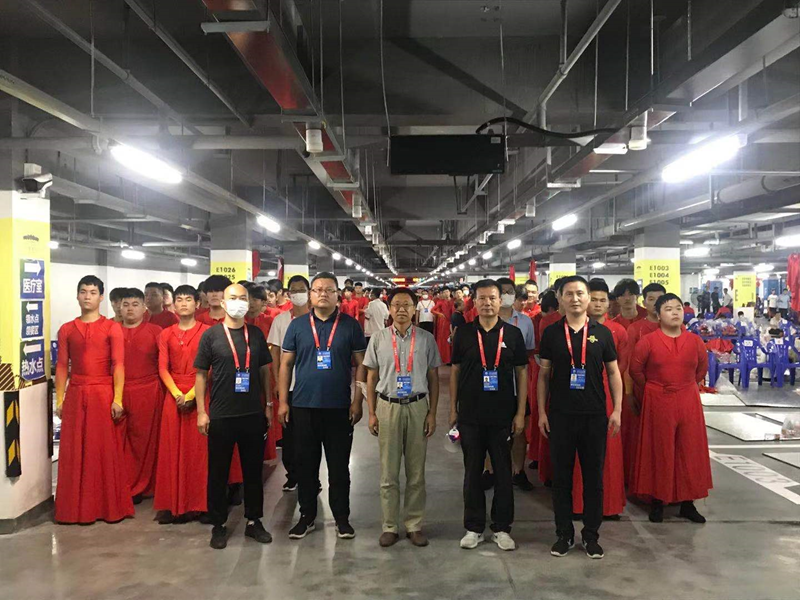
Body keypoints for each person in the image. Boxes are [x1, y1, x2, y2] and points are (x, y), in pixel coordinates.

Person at [538, 275, 622, 560]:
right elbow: (544, 375)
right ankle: (563, 534)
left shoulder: (602, 333)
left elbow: (613, 373)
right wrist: (542, 411)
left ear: (588, 298)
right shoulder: (552, 333)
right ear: (560, 298)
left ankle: (591, 535)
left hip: (594, 416)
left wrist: (617, 409)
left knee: (593, 479)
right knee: (561, 479)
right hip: (560, 415)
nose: (575, 299)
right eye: (569, 294)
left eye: (580, 293)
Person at [278, 272, 367, 540]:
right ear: (310, 295)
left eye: (329, 290)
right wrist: (283, 402)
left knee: (339, 467)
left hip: (339, 407)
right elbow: (285, 364)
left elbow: (361, 365)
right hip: (303, 406)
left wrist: (357, 400)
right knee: (306, 465)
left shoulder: (350, 326)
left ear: (338, 294)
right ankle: (307, 516)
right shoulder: (298, 326)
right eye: (317, 290)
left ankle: (342, 518)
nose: (323, 294)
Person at [450, 279, 528, 552]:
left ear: (500, 300)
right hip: (470, 415)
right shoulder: (463, 333)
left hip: (503, 415)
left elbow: (522, 373)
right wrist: (453, 409)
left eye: (492, 298)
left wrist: (520, 412)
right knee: (472, 472)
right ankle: (473, 527)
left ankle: (502, 527)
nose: (487, 303)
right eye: (482, 298)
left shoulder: (513, 334)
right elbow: (456, 371)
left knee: (503, 472)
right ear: (474, 301)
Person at [194, 283, 273, 550]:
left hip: (252, 413)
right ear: (224, 303)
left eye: (243, 298)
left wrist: (268, 404)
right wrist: (202, 412)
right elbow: (201, 375)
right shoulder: (211, 336)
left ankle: (254, 521)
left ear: (248, 302)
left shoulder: (256, 334)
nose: (238, 302)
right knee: (218, 473)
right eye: (233, 298)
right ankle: (218, 524)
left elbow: (264, 370)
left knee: (253, 472)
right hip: (221, 415)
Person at [364, 288, 442, 547]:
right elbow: (371, 377)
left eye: (407, 304)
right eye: (396, 304)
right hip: (388, 407)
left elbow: (433, 377)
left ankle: (414, 524)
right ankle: (389, 526)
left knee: (416, 472)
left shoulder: (426, 339)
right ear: (389, 309)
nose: (401, 309)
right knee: (388, 472)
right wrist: (372, 413)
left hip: (418, 406)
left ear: (414, 308)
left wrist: (432, 412)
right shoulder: (378, 338)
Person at [54, 275, 132, 524]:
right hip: (76, 393)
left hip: (102, 393)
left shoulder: (111, 328)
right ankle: (73, 510)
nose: (87, 296)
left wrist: (117, 398)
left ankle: (106, 507)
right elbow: (61, 366)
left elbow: (118, 364)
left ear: (101, 297)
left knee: (102, 449)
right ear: (77, 295)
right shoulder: (67, 329)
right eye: (83, 292)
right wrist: (60, 399)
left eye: (92, 292)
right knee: (74, 450)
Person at [629, 293, 712, 523]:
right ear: (658, 315)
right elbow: (635, 371)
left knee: (689, 449)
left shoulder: (695, 341)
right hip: (658, 397)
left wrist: (686, 386)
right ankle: (658, 501)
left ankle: (687, 503)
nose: (675, 313)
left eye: (678, 308)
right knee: (659, 448)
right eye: (668, 309)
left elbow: (701, 369)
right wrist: (653, 387)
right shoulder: (648, 342)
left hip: (688, 398)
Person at [154, 285, 211, 524]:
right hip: (173, 395)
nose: (184, 303)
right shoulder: (165, 334)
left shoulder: (207, 332)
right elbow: (162, 368)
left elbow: (210, 368)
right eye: (179, 299)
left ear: (197, 304)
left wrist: (191, 396)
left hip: (200, 393)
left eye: (189, 299)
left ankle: (199, 504)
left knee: (198, 452)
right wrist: (178, 393)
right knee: (171, 450)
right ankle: (171, 505)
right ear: (174, 304)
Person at [570, 279, 627, 518]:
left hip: (607, 395)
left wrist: (618, 405)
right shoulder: (570, 328)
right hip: (576, 394)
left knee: (609, 453)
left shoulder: (617, 331)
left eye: (603, 300)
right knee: (578, 453)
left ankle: (609, 505)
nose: (598, 304)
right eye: (593, 299)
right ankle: (578, 505)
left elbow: (620, 368)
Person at [118, 288, 165, 503]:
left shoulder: (156, 331)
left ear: (144, 307)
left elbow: (164, 363)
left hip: (148, 390)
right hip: (118, 391)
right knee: (120, 441)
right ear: (119, 307)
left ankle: (144, 485)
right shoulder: (112, 331)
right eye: (126, 304)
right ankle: (123, 484)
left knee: (145, 441)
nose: (130, 309)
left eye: (135, 304)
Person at [267, 275, 312, 492]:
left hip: (312, 386)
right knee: (290, 433)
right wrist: (278, 382)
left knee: (310, 434)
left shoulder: (317, 318)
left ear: (309, 292)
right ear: (288, 294)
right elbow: (275, 353)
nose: (298, 294)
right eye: (294, 290)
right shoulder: (281, 320)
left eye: (302, 289)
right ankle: (292, 474)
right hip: (289, 386)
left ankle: (311, 476)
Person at [622, 283, 666, 488]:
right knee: (642, 441)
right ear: (644, 302)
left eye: (660, 299)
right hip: (642, 393)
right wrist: (629, 394)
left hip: (669, 396)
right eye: (651, 299)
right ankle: (642, 484)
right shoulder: (636, 329)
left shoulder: (677, 327)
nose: (656, 304)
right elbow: (629, 365)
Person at [497, 277, 536, 492]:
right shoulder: (485, 320)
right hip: (492, 388)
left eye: (510, 291)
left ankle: (518, 471)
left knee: (520, 431)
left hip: (517, 387)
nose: (506, 295)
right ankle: (490, 472)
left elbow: (528, 352)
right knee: (491, 432)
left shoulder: (525, 322)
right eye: (502, 292)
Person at [433, 287, 453, 364]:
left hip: (452, 321)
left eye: (447, 291)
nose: (446, 293)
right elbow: (432, 310)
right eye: (444, 292)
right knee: (445, 340)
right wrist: (440, 314)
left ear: (450, 292)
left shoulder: (453, 301)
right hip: (444, 323)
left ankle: (451, 357)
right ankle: (445, 358)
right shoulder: (440, 302)